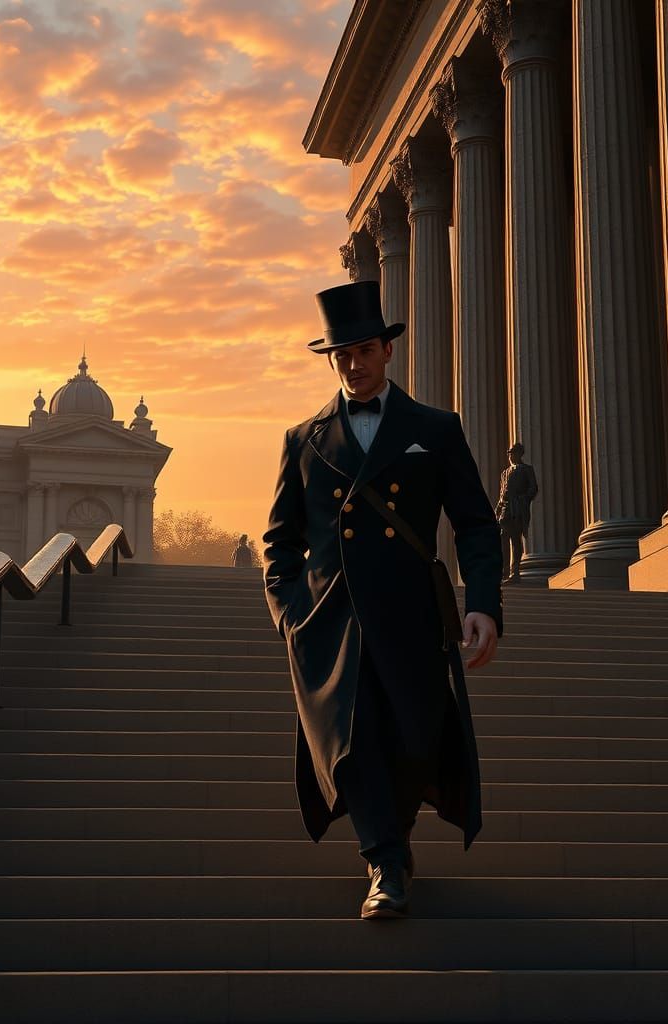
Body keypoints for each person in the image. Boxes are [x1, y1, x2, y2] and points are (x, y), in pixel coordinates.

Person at [262, 279, 503, 920]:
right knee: (353, 739)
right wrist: (290, 614)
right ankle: (385, 863)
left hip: (413, 616)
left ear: (387, 352)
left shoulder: (435, 428)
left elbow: (477, 524)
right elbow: (279, 543)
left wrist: (482, 603)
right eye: (341, 355)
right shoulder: (303, 438)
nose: (354, 364)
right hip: (331, 623)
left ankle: (392, 844)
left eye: (364, 350)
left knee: (415, 739)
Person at [495, 441, 538, 583]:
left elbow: (533, 489)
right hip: (505, 510)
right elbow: (502, 494)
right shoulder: (505, 473)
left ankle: (515, 573)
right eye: (509, 453)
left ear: (520, 454)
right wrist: (498, 510)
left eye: (513, 453)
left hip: (518, 509)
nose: (510, 456)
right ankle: (503, 572)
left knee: (515, 540)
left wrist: (522, 499)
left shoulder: (526, 469)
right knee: (502, 541)